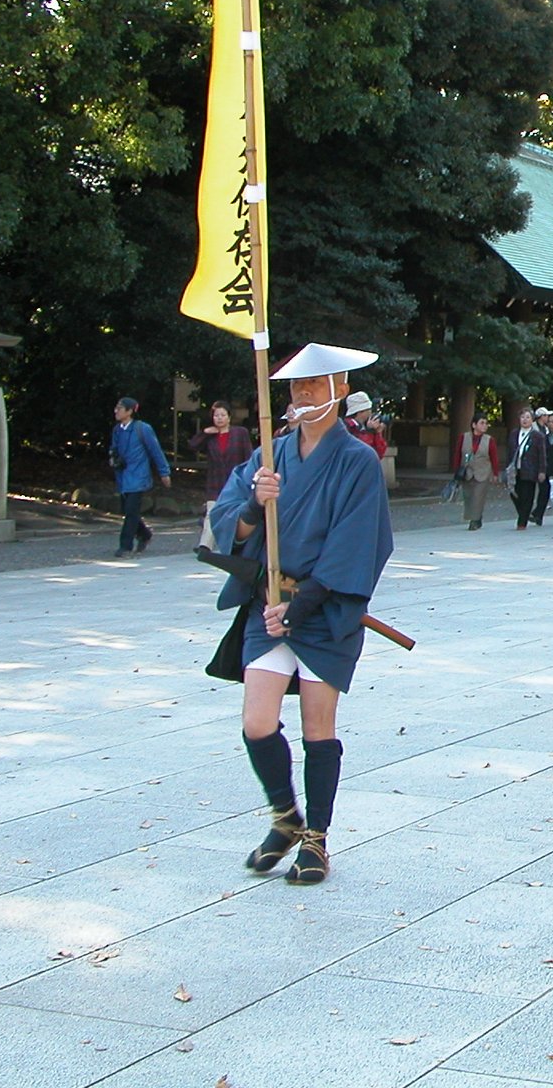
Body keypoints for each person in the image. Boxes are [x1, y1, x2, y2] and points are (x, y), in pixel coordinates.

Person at [210, 341, 394, 886]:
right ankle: (284, 817)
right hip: (266, 605)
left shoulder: (358, 459)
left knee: (318, 726)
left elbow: (358, 543)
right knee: (257, 720)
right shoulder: (270, 455)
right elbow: (227, 522)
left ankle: (316, 837)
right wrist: (252, 505)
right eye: (296, 386)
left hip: (324, 609)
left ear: (340, 391)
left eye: (314, 385)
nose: (303, 393)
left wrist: (300, 606)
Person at [111, 395, 172, 557]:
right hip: (123, 476)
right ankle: (144, 534)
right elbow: (114, 450)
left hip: (138, 476)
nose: (116, 411)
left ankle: (125, 546)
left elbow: (155, 451)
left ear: (130, 411)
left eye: (120, 408)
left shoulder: (142, 428)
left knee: (131, 510)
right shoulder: (117, 430)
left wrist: (164, 472)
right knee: (128, 510)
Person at [191, 402, 254, 551]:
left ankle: (236, 543)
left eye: (222, 415)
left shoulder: (240, 433)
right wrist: (205, 432)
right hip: (215, 481)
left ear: (229, 417)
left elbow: (249, 456)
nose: (219, 418)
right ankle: (205, 545)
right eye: (216, 415)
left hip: (236, 481)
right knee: (211, 513)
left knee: (236, 513)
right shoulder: (211, 437)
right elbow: (193, 445)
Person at [456, 414, 500, 531]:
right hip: (467, 472)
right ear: (474, 425)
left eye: (486, 423)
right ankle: (476, 517)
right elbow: (458, 454)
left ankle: (474, 521)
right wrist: (457, 471)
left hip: (483, 472)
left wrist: (495, 473)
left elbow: (494, 457)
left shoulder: (489, 440)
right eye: (482, 423)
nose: (484, 425)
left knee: (478, 496)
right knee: (469, 496)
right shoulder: (463, 437)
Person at [510, 408, 550, 529]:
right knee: (515, 493)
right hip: (516, 469)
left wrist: (542, 470)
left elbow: (542, 454)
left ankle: (522, 522)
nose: (525, 420)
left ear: (532, 419)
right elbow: (510, 452)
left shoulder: (537, 436)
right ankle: (524, 514)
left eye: (527, 417)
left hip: (530, 470)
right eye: (522, 417)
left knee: (527, 495)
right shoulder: (514, 433)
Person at [342, 393, 387, 459]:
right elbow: (361, 452)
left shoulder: (363, 427)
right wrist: (369, 431)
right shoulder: (347, 427)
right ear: (361, 411)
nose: (371, 412)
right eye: (369, 409)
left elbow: (378, 455)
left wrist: (377, 433)